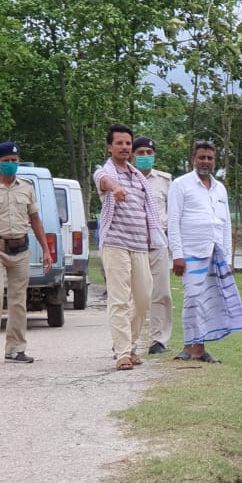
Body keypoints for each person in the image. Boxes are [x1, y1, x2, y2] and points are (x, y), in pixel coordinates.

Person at [0, 141, 53, 363]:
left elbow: (35, 219)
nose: (11, 165)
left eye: (15, 161)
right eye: (7, 161)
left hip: (20, 248)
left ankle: (15, 349)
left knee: (18, 300)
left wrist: (46, 249)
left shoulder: (26, 187)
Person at [94, 123, 166, 371]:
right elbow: (103, 181)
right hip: (115, 244)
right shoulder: (106, 172)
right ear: (110, 146)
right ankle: (123, 353)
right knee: (120, 299)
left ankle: (130, 344)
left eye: (128, 144)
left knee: (144, 298)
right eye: (120, 143)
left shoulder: (137, 177)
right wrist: (115, 188)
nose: (124, 148)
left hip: (140, 245)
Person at [168, 140, 242, 363]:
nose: (205, 162)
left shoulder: (220, 189)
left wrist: (229, 257)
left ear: (215, 161)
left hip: (216, 252)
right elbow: (173, 221)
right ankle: (188, 346)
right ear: (193, 159)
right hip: (191, 251)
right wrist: (177, 255)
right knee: (192, 297)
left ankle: (200, 349)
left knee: (209, 299)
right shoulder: (181, 185)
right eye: (201, 157)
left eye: (210, 158)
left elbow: (226, 223)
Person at [133, 136, 174, 355]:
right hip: (134, 243)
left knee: (161, 293)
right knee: (136, 295)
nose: (145, 157)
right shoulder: (125, 178)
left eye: (149, 153)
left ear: (154, 155)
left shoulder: (165, 181)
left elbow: (173, 214)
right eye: (140, 153)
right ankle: (129, 340)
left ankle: (159, 339)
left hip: (159, 243)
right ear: (133, 155)